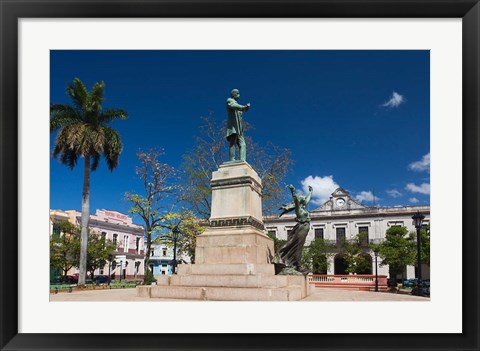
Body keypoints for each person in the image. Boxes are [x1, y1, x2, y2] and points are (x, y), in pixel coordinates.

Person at [277, 184, 313, 275]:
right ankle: (297, 265)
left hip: (305, 228)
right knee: (297, 247)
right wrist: (293, 191)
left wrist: (310, 192)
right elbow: (296, 199)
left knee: (299, 247)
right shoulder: (298, 209)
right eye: (302, 197)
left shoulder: (303, 208)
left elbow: (308, 199)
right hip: (301, 227)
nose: (303, 197)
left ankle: (296, 264)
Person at [226, 89, 250, 162]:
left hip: (239, 128)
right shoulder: (229, 100)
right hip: (233, 127)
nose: (239, 95)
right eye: (237, 93)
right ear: (233, 94)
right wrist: (244, 107)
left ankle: (242, 160)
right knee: (233, 142)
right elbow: (234, 106)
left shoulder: (236, 104)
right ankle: (232, 159)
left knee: (243, 144)